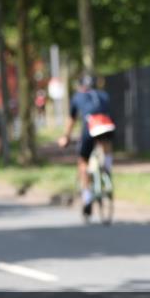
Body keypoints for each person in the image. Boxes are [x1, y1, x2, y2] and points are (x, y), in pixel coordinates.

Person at [58, 74, 115, 217]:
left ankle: (87, 197)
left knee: (83, 161)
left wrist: (66, 137)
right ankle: (107, 167)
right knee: (106, 143)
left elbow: (71, 120)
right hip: (107, 125)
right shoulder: (103, 95)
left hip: (91, 127)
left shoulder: (78, 96)